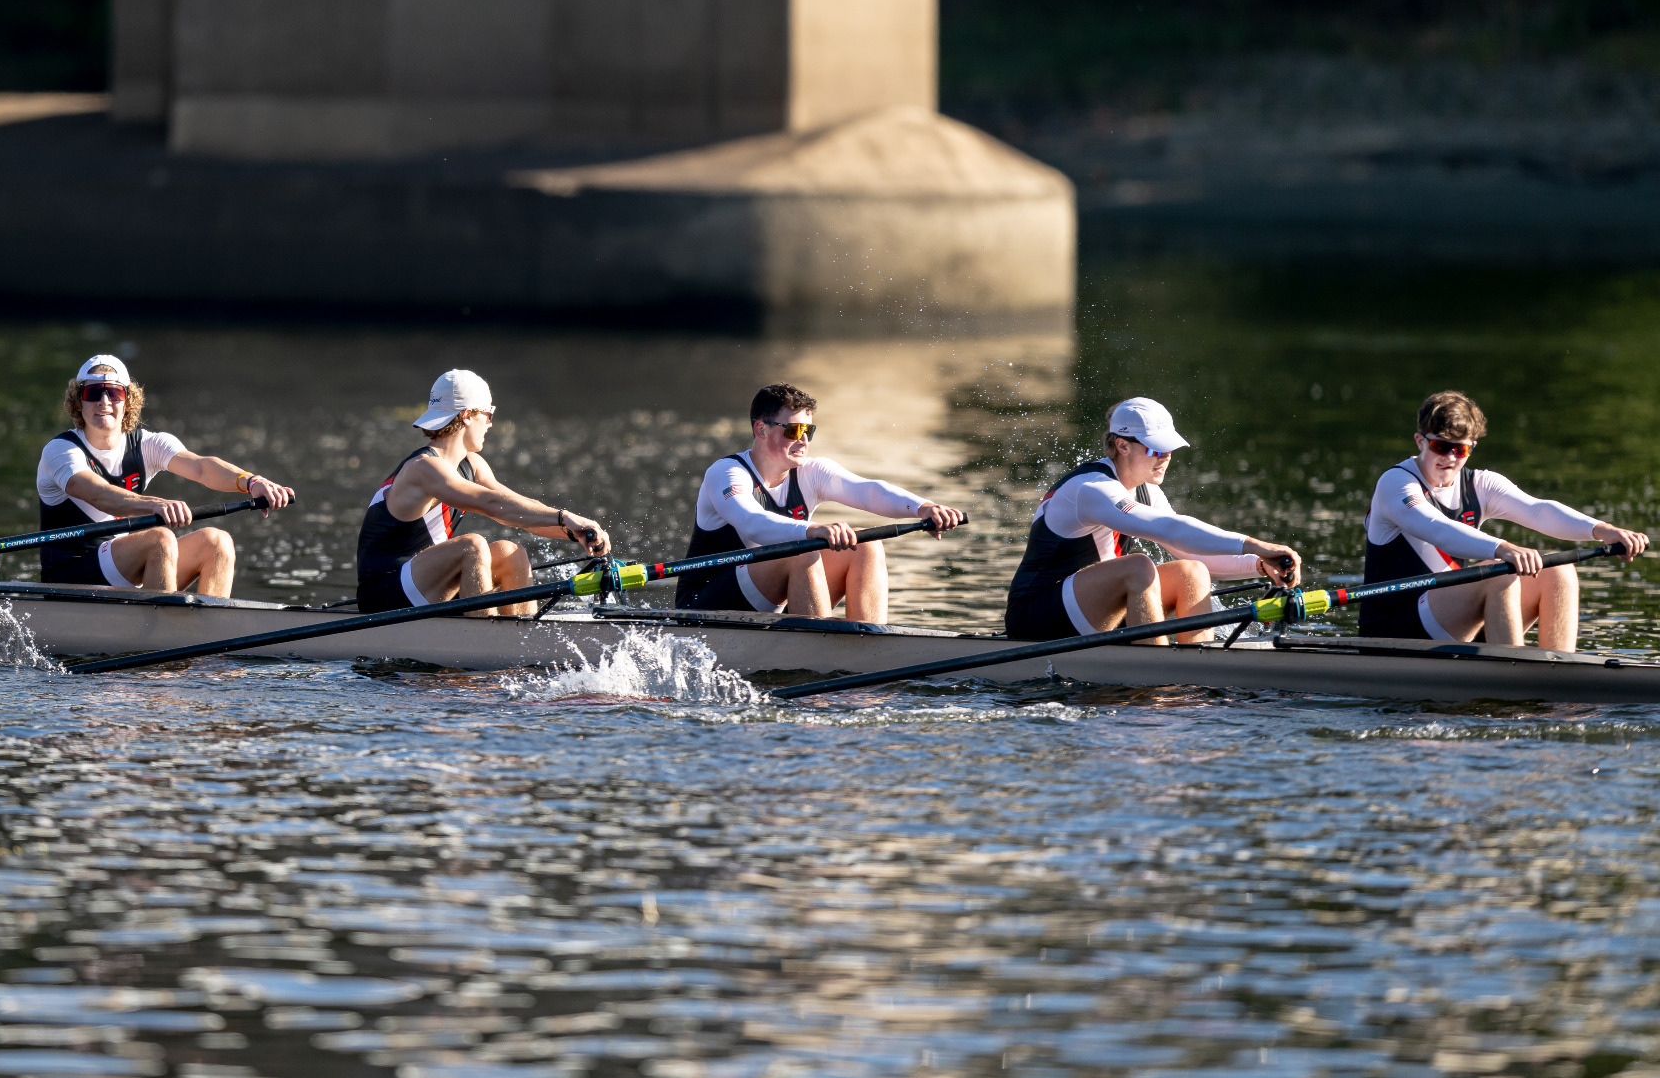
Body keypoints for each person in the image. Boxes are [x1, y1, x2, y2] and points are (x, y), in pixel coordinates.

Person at [1360, 389, 1646, 651]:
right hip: (1393, 627)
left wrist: (1603, 530)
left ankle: (1559, 673)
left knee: (1559, 570)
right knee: (1502, 571)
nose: (1449, 458)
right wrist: (1502, 548)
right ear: (1420, 441)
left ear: (1471, 447)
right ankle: (1511, 683)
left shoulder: (1480, 484)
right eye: (1439, 447)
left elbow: (1538, 510)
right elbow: (1437, 528)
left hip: (1453, 621)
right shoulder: (1396, 483)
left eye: (1459, 450)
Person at [1005, 397, 1302, 644]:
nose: (1164, 458)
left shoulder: (1148, 490)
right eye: (1155, 449)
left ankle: (1198, 669)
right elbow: (1172, 529)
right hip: (1035, 616)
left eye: (1168, 450)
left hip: (1095, 610)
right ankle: (1158, 684)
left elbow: (1190, 549)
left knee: (1192, 571)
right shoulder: (1090, 488)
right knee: (1139, 567)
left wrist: (1260, 564)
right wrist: (1255, 544)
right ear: (1122, 446)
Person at [676, 382, 966, 624]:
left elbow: (867, 490)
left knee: (865, 545)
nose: (803, 441)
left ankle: (869, 646)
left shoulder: (811, 472)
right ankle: (820, 656)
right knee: (803, 550)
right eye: (793, 431)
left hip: (771, 597)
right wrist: (810, 530)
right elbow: (752, 522)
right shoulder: (727, 473)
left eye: (808, 431)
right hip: (704, 605)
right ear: (761, 430)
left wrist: (922, 507)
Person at [356, 369, 611, 615]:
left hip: (426, 585)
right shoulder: (423, 468)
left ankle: (519, 641)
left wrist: (577, 532)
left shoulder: (473, 464)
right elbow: (489, 503)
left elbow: (515, 508)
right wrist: (564, 516)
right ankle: (486, 642)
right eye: (488, 414)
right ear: (467, 415)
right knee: (473, 545)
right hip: (383, 596)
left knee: (512, 552)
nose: (490, 424)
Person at [36, 355, 294, 595]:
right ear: (78, 402)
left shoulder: (147, 445)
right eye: (93, 393)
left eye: (114, 393)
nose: (104, 402)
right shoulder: (60, 450)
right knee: (160, 538)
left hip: (124, 571)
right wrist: (156, 506)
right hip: (69, 579)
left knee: (217, 542)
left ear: (127, 402)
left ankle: (211, 633)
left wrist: (251, 482)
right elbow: (98, 494)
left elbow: (202, 467)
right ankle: (163, 636)